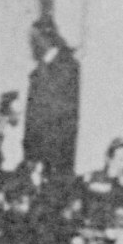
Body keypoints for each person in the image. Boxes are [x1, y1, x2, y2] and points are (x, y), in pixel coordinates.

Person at [21, 16, 82, 188]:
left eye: (34, 39)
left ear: (45, 38)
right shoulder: (41, 69)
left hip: (55, 150)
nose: (31, 45)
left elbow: (57, 111)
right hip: (37, 150)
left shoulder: (67, 67)